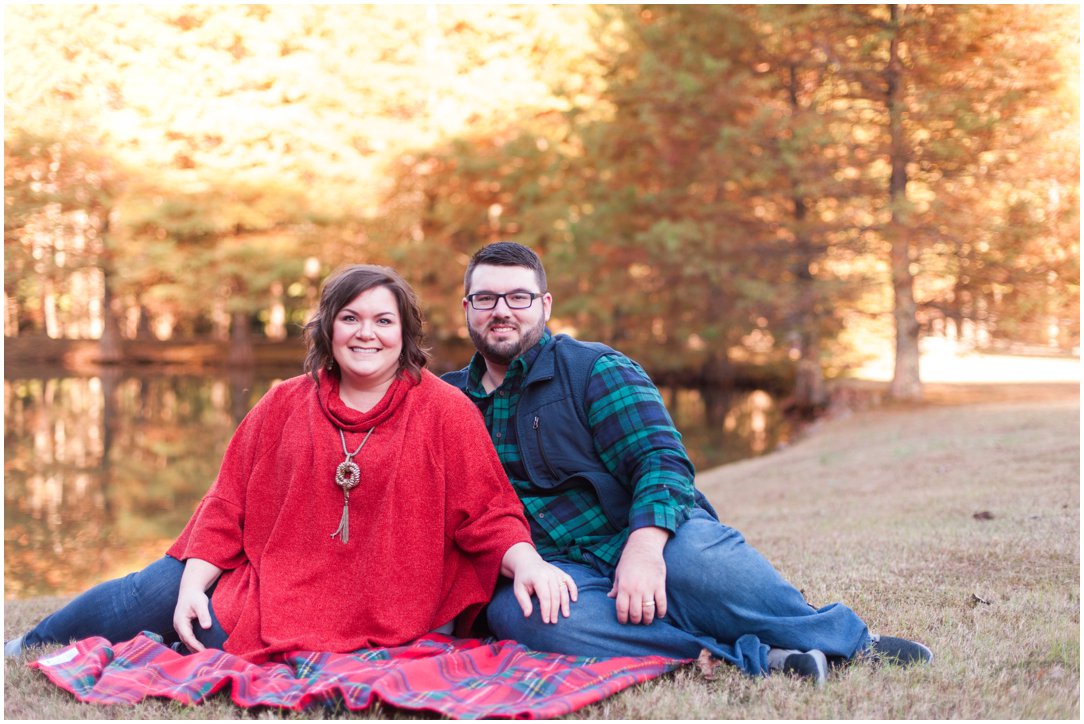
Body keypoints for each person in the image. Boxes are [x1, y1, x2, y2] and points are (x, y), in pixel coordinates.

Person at [6, 264, 577, 663]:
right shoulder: (283, 401)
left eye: (383, 321)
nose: (366, 333)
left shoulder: (446, 410)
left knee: (180, 609)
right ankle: (23, 645)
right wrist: (192, 583)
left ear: (405, 335)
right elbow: (226, 504)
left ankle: (173, 640)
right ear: (328, 328)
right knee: (155, 589)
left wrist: (525, 563)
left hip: (397, 604)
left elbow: (488, 514)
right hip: (279, 583)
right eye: (351, 318)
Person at [441, 241, 933, 686]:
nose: (501, 311)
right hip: (555, 568)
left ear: (545, 305)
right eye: (486, 299)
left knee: (704, 567)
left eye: (518, 297)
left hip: (643, 531)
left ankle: (847, 643)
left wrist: (644, 548)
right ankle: (747, 657)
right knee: (522, 616)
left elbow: (661, 461)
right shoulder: (448, 402)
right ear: (467, 308)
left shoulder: (595, 370)